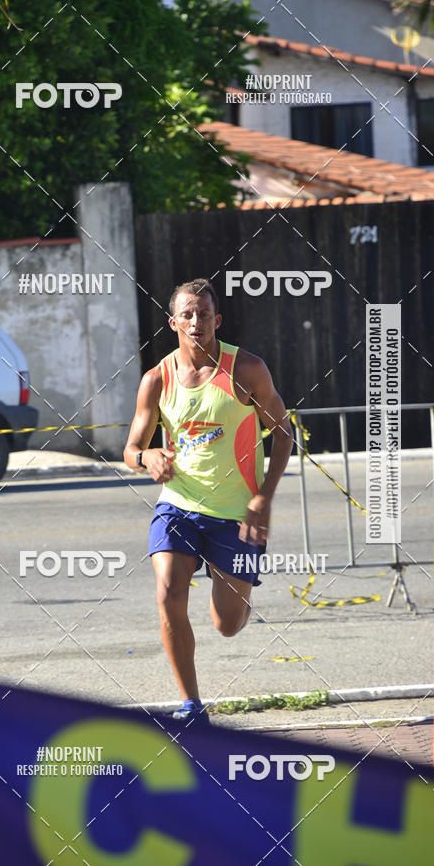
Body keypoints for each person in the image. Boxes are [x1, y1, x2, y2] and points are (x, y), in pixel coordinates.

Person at [124, 278, 293, 724]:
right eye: (187, 314)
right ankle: (191, 706)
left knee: (227, 624)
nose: (196, 322)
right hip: (178, 504)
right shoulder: (156, 380)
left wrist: (264, 498)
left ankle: (239, 591)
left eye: (204, 314)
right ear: (173, 321)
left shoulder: (246, 369)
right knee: (167, 594)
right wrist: (146, 456)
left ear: (217, 320)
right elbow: (129, 450)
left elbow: (283, 432)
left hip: (236, 514)